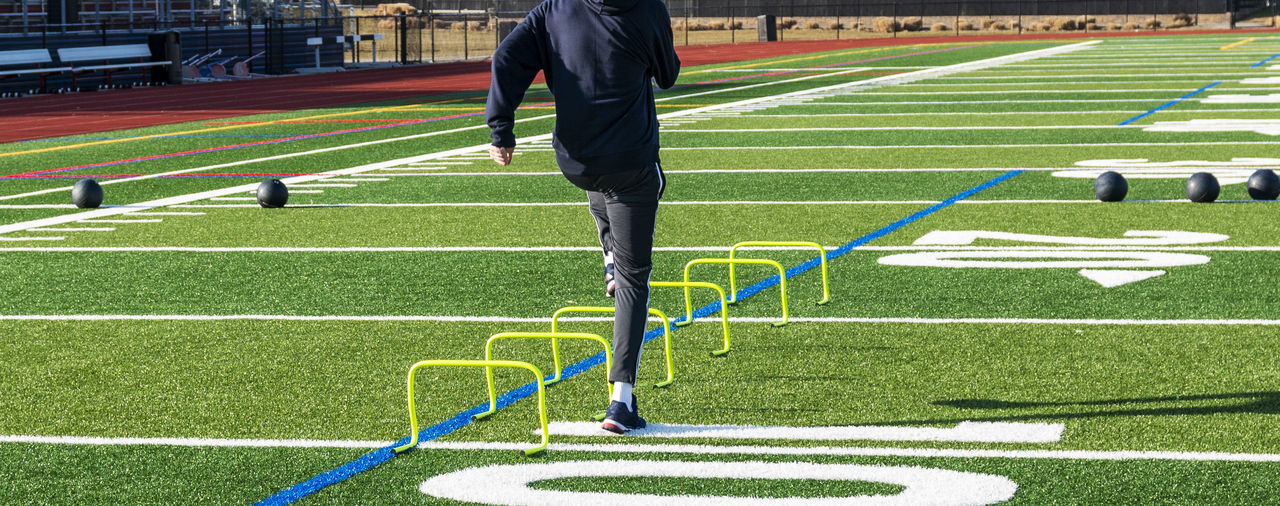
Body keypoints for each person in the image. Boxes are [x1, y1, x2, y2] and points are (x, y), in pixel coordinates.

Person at [485, 0, 680, 434]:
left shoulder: (554, 8)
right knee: (634, 278)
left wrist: (501, 127)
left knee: (598, 176)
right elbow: (668, 76)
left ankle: (609, 252)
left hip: (575, 161)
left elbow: (507, 57)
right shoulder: (647, 8)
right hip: (630, 162)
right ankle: (621, 400)